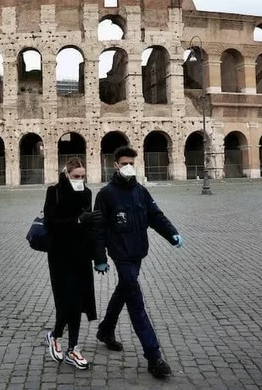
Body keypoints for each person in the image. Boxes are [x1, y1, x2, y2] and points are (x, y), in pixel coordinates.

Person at [93, 146, 183, 379]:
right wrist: (100, 258)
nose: (128, 166)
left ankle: (105, 330)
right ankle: (154, 357)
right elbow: (98, 229)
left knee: (124, 289)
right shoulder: (106, 194)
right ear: (115, 165)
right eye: (124, 163)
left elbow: (155, 216)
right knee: (135, 301)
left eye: (131, 162)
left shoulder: (141, 191)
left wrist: (171, 233)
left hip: (138, 252)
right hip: (120, 254)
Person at [43, 157, 105, 369]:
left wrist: (99, 257)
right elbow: (49, 223)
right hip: (59, 255)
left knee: (79, 302)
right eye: (76, 176)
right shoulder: (54, 192)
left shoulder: (87, 193)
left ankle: (73, 349)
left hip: (81, 254)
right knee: (67, 301)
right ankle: (56, 336)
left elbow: (92, 228)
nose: (80, 180)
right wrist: (78, 220)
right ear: (67, 174)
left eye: (82, 176)